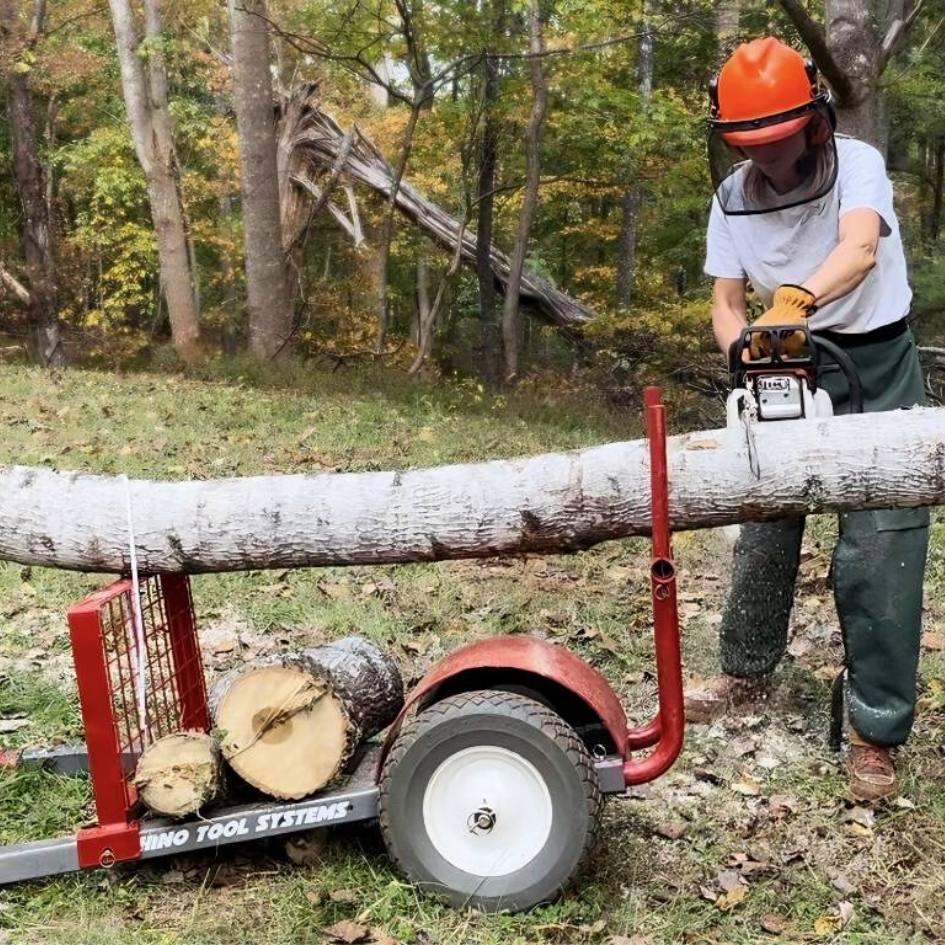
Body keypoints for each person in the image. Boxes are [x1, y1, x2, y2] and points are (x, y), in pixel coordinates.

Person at [687, 36, 929, 803]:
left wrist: (795, 298)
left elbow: (858, 249)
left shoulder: (856, 165)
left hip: (876, 359)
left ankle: (875, 730)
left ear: (812, 121)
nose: (767, 155)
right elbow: (725, 300)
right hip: (786, 362)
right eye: (750, 142)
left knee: (881, 541)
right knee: (764, 515)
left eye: (779, 137)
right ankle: (745, 669)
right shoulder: (730, 198)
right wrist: (744, 349)